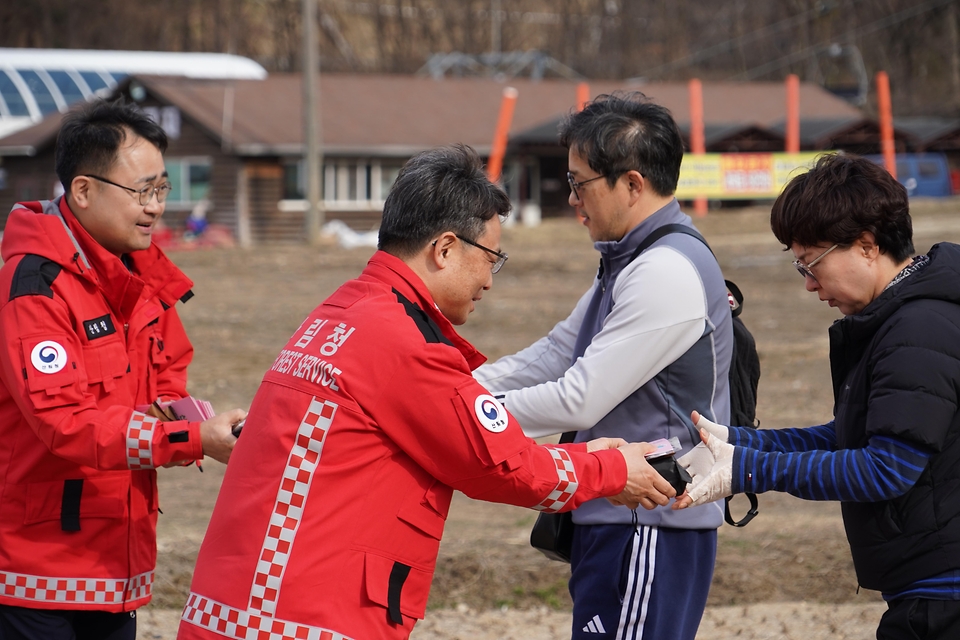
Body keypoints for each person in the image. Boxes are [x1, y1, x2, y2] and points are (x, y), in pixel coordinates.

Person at [178, 144, 677, 640]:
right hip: (305, 618)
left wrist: (587, 457)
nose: (489, 280)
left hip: (232, 607)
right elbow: (501, 466)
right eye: (491, 258)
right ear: (445, 249)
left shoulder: (337, 314)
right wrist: (611, 470)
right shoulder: (404, 341)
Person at [473, 92, 733, 640]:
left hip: (649, 519)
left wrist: (469, 415)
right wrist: (459, 388)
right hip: (620, 514)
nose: (573, 199)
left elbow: (580, 397)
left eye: (579, 183)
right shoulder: (631, 258)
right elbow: (557, 352)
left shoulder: (665, 270)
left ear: (632, 184)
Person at [675, 152, 960, 639]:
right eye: (799, 266)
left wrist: (749, 470)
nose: (809, 284)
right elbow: (853, 435)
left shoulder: (917, 329)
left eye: (812, 263)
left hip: (944, 598)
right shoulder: (900, 318)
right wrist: (741, 442)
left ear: (867, 246)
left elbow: (885, 468)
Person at [0, 99, 245, 640]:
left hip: (118, 566)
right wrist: (190, 438)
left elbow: (167, 377)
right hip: (38, 574)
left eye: (162, 190)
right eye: (141, 191)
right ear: (83, 191)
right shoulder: (36, 286)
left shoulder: (144, 279)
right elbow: (64, 422)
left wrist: (191, 421)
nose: (155, 207)